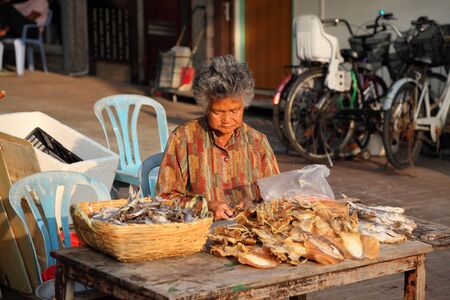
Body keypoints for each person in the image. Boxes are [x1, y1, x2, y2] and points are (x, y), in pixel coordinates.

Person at [156, 54, 280, 220]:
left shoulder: (258, 142)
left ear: (244, 104)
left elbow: (276, 195)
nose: (227, 120)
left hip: (248, 231)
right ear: (206, 106)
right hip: (198, 231)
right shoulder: (183, 139)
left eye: (234, 111)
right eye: (218, 112)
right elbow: (164, 199)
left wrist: (253, 205)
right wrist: (205, 206)